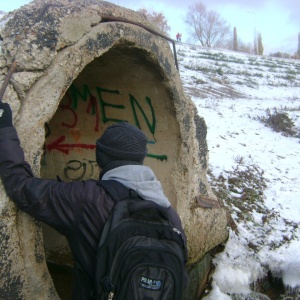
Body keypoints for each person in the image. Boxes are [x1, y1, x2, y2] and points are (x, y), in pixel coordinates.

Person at [0, 100, 187, 299]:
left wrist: (4, 128)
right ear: (141, 158)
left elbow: (20, 186)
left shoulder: (87, 198)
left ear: (100, 158)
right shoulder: (167, 211)